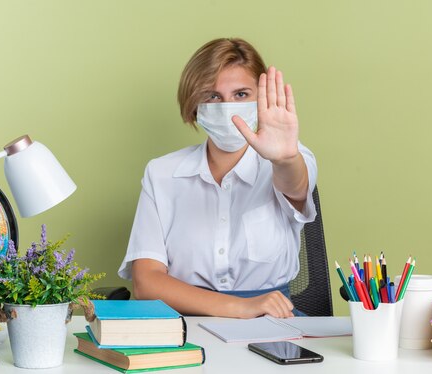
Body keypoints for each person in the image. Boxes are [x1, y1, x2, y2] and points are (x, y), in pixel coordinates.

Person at [118, 38, 317, 318]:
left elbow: (296, 187)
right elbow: (146, 282)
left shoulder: (288, 158)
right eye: (212, 96)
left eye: (241, 94)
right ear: (194, 105)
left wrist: (284, 159)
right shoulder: (161, 172)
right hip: (186, 323)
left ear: (260, 99)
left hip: (270, 323)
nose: (227, 107)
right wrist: (240, 307)